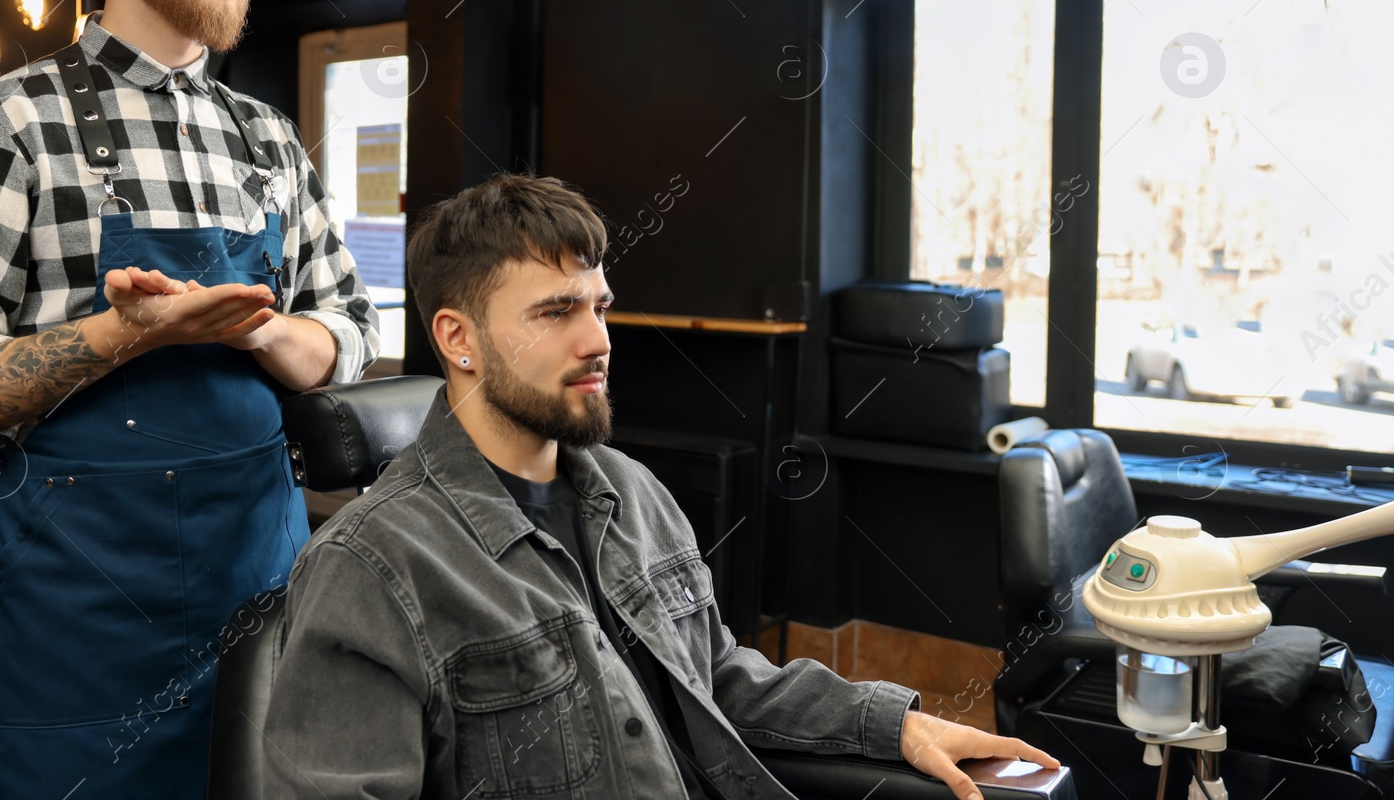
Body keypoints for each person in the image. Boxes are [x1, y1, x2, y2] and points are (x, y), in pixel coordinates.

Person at [262, 174, 1054, 800]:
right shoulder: (371, 570)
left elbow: (717, 679)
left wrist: (895, 726)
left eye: (599, 307)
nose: (598, 338)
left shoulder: (630, 491)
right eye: (556, 311)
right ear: (457, 338)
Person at [0, 0, 379, 798]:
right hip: (78, 640)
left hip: (264, 609)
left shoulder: (269, 140)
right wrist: (118, 334)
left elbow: (351, 331)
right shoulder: (10, 124)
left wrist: (272, 331)